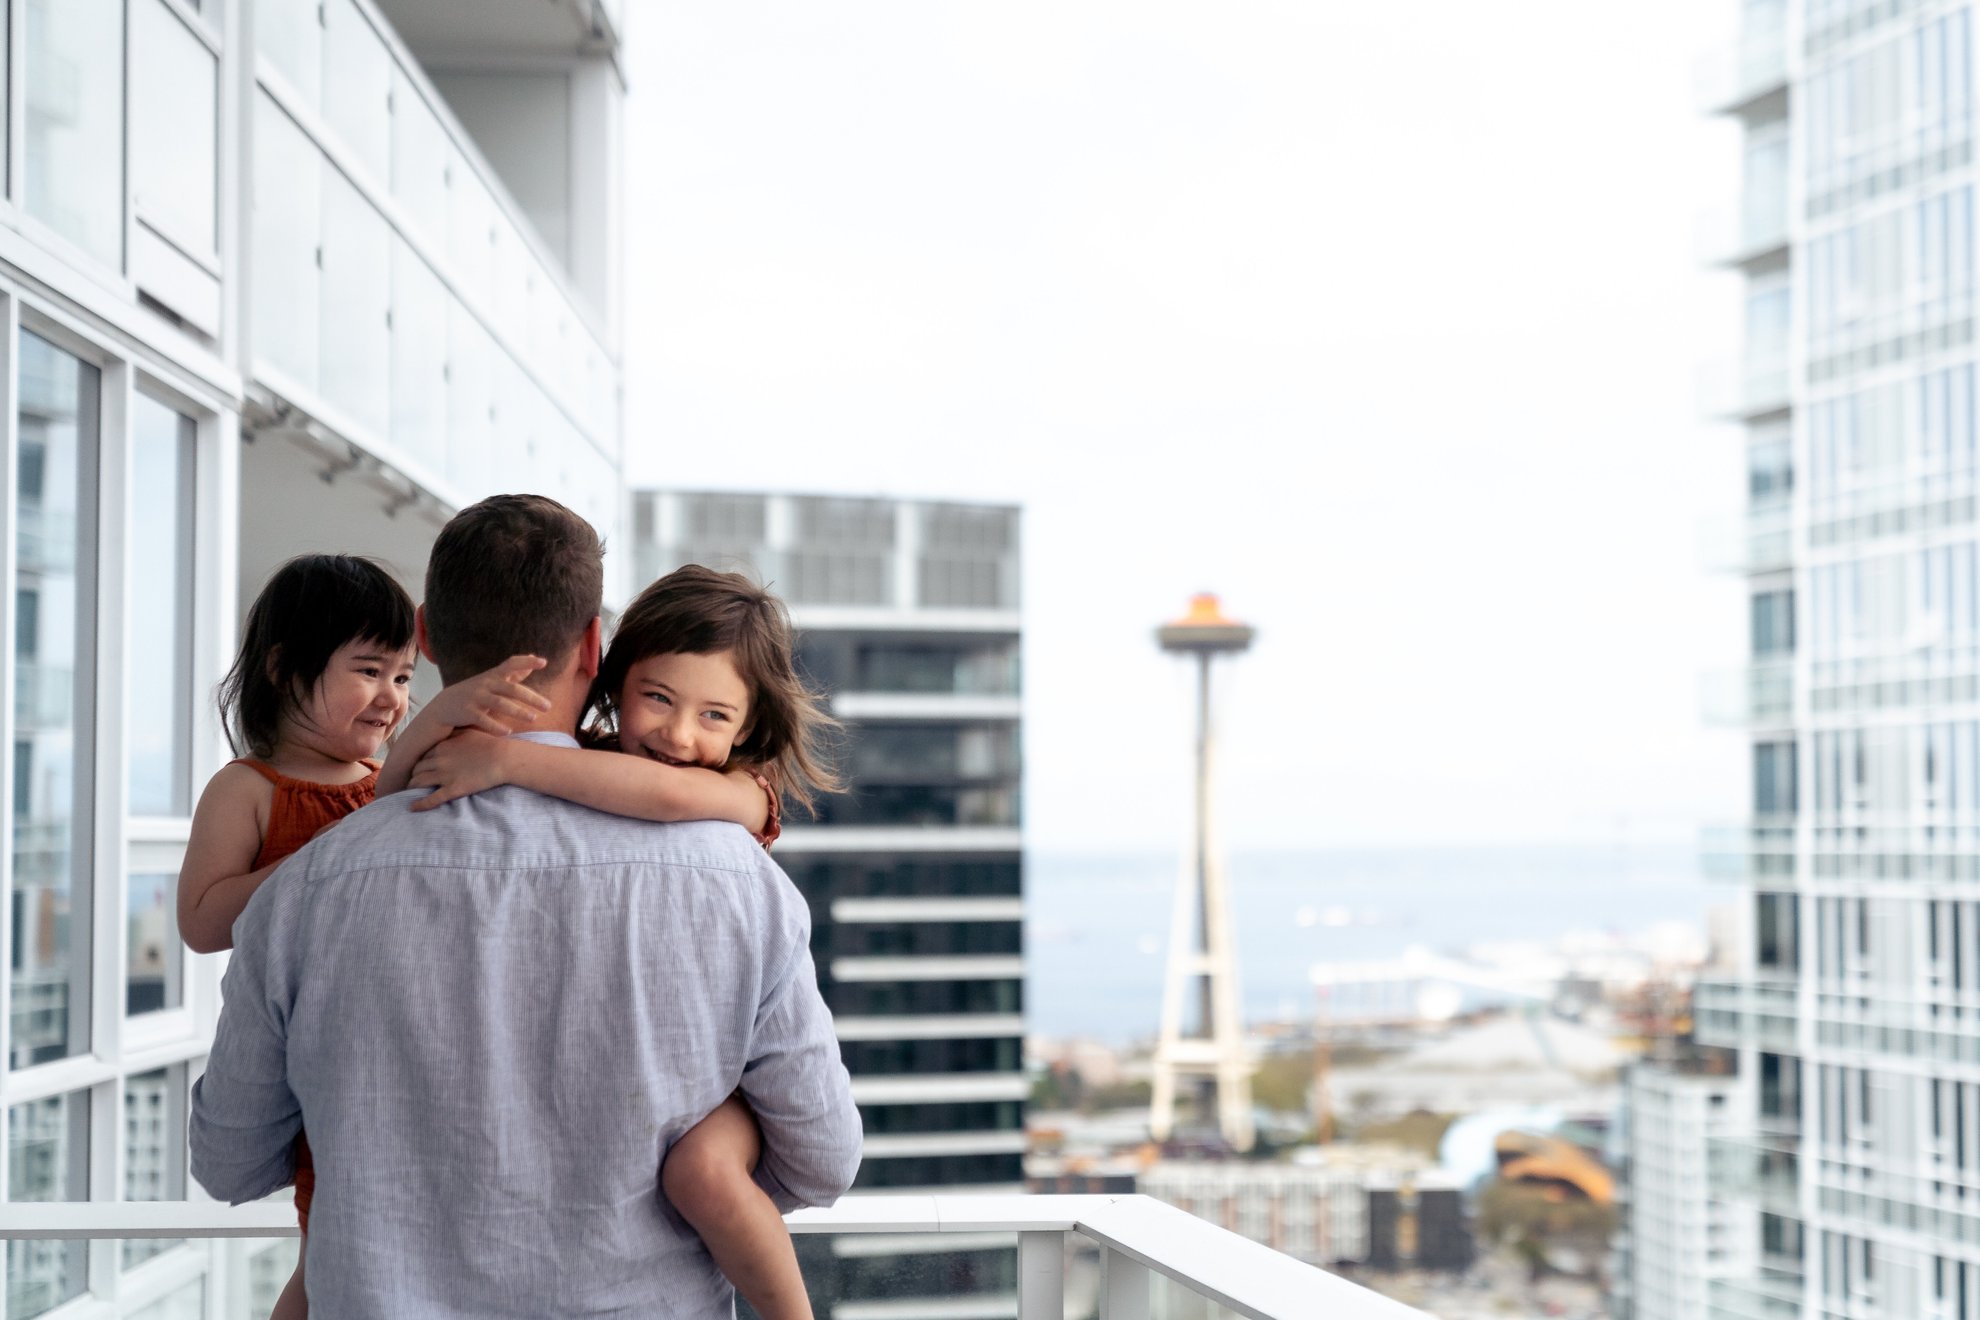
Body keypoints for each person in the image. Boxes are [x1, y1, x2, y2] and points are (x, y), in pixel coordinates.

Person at [189, 495, 862, 1319]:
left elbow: (228, 1163)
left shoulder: (305, 887)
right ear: (592, 645)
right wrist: (702, 1137)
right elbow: (824, 1161)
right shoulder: (734, 877)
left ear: (427, 636)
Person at [379, 564, 842, 1320]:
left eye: (715, 717)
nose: (679, 735)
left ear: (750, 726)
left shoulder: (736, 792)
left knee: (707, 1173)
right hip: (648, 1074)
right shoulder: (592, 754)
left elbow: (664, 797)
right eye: (657, 698)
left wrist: (507, 759)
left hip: (722, 1080)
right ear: (613, 674)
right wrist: (439, 719)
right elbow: (395, 799)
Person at [176, 553, 420, 1320]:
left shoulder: (384, 782)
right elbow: (203, 919)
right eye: (371, 670)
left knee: (355, 1242)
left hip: (384, 1041)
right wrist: (327, 859)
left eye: (406, 677)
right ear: (285, 669)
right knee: (329, 1242)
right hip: (302, 1043)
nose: (392, 698)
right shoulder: (248, 788)